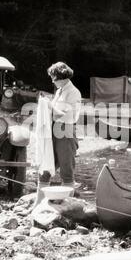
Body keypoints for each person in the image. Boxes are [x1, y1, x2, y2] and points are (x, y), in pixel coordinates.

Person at [34, 62, 82, 206]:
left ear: (61, 76)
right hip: (53, 133)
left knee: (66, 171)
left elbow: (69, 117)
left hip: (66, 134)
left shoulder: (73, 92)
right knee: (45, 167)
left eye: (53, 77)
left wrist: (49, 105)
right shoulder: (60, 90)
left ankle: (67, 206)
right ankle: (39, 203)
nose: (52, 80)